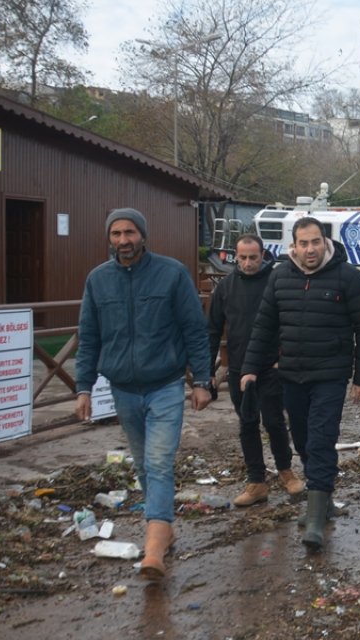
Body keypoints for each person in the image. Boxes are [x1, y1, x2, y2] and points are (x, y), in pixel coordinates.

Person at [74, 208, 213, 580]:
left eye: (130, 232)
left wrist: (202, 380)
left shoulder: (171, 274)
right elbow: (88, 338)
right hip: (123, 390)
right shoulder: (98, 281)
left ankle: (153, 551)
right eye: (117, 233)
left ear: (143, 235)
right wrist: (83, 388)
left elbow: (195, 330)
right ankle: (164, 530)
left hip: (165, 385)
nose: (123, 240)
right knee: (142, 465)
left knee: (158, 462)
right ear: (110, 238)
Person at [241, 217, 360, 551]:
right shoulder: (280, 277)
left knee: (321, 439)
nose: (310, 249)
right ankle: (324, 498)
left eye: (315, 241)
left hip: (330, 374)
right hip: (291, 374)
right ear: (294, 245)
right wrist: (250, 368)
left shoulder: (348, 277)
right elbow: (264, 326)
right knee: (301, 438)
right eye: (303, 243)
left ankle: (314, 518)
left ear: (324, 241)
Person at [207, 234, 304, 507]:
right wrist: (207, 373)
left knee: (274, 421)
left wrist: (284, 357)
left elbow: (292, 320)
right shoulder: (225, 287)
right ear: (235, 257)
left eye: (253, 257)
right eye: (243, 258)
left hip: (272, 365)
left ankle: (285, 470)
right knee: (247, 423)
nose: (248, 263)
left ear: (263, 255)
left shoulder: (275, 282)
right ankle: (256, 480)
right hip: (238, 367)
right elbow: (212, 330)